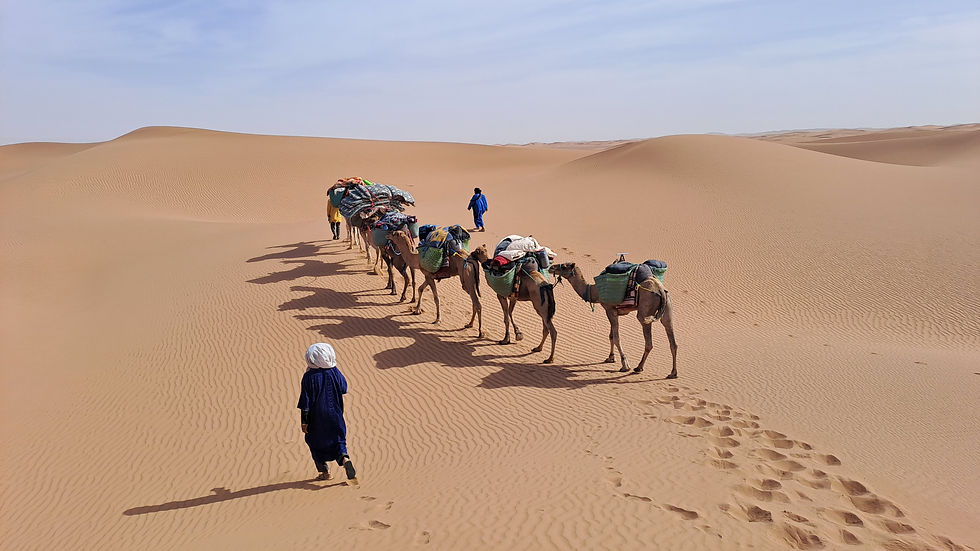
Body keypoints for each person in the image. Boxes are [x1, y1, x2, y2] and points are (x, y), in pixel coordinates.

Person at [297, 343, 357, 481]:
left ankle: (325, 472)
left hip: (317, 418)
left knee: (313, 442)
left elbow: (305, 402)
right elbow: (344, 388)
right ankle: (344, 459)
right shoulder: (335, 371)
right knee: (338, 440)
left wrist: (304, 422)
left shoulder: (309, 377)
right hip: (336, 414)